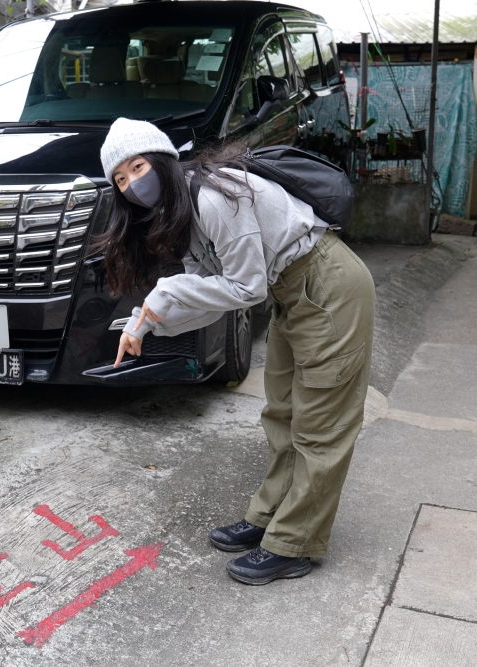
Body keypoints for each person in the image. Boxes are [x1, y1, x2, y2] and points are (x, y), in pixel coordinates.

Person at [95, 118, 376, 585]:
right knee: (281, 413)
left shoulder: (212, 197)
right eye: (120, 179)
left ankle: (294, 543)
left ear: (163, 161)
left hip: (327, 286)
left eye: (138, 167)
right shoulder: (183, 211)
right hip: (291, 293)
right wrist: (145, 324)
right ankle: (269, 516)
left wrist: (163, 297)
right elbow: (208, 296)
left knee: (320, 424)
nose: (132, 184)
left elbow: (245, 287)